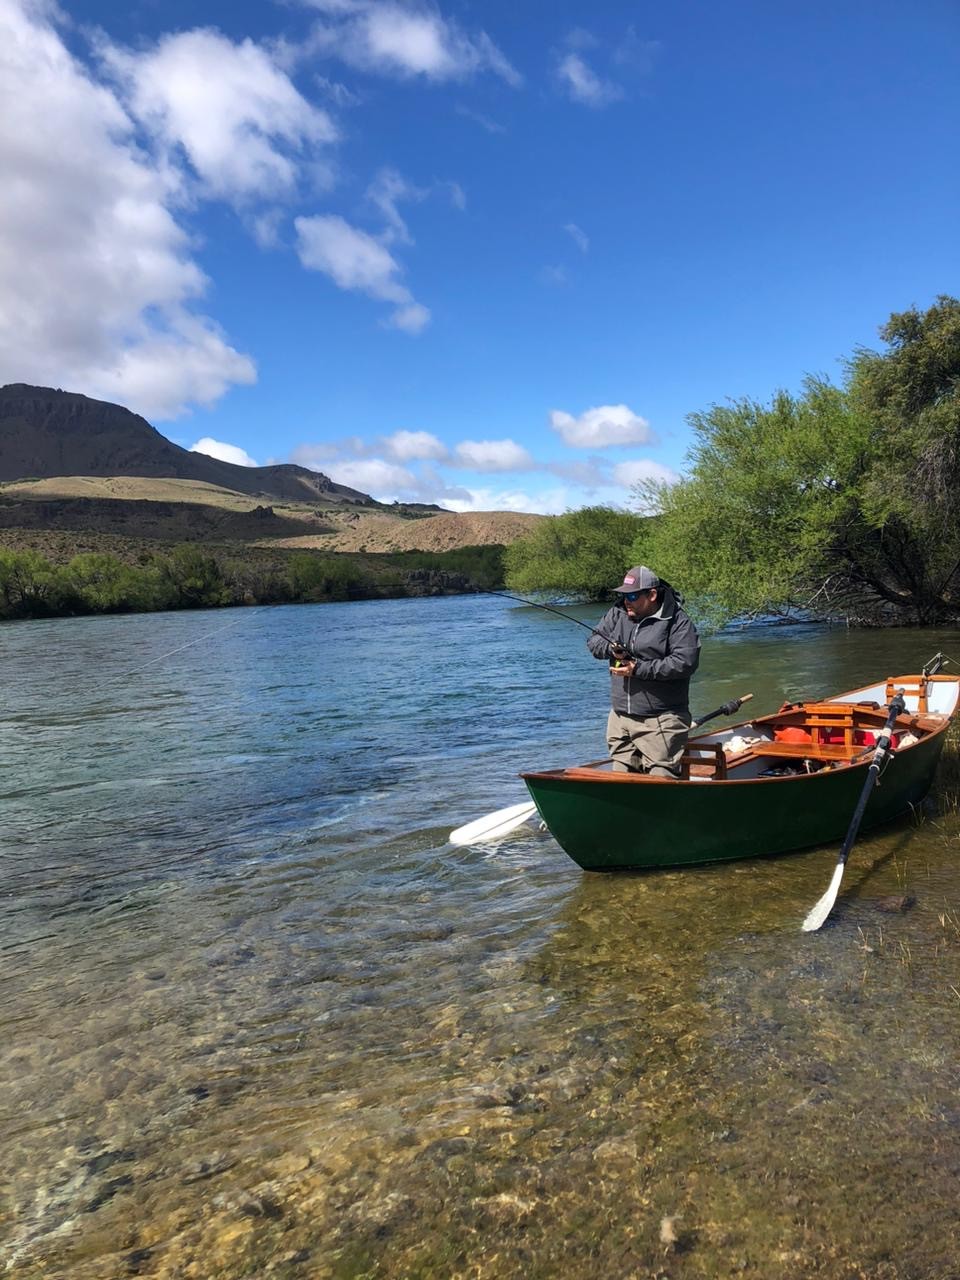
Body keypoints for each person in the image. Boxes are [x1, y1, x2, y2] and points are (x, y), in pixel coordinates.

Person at [587, 565, 701, 777]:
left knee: (660, 782)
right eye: (623, 595)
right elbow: (594, 642)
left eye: (631, 596)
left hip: (662, 720)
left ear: (652, 595)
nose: (626, 601)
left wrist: (638, 668)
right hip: (620, 719)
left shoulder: (677, 621)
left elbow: (685, 662)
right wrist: (611, 648)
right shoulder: (617, 613)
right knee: (621, 783)